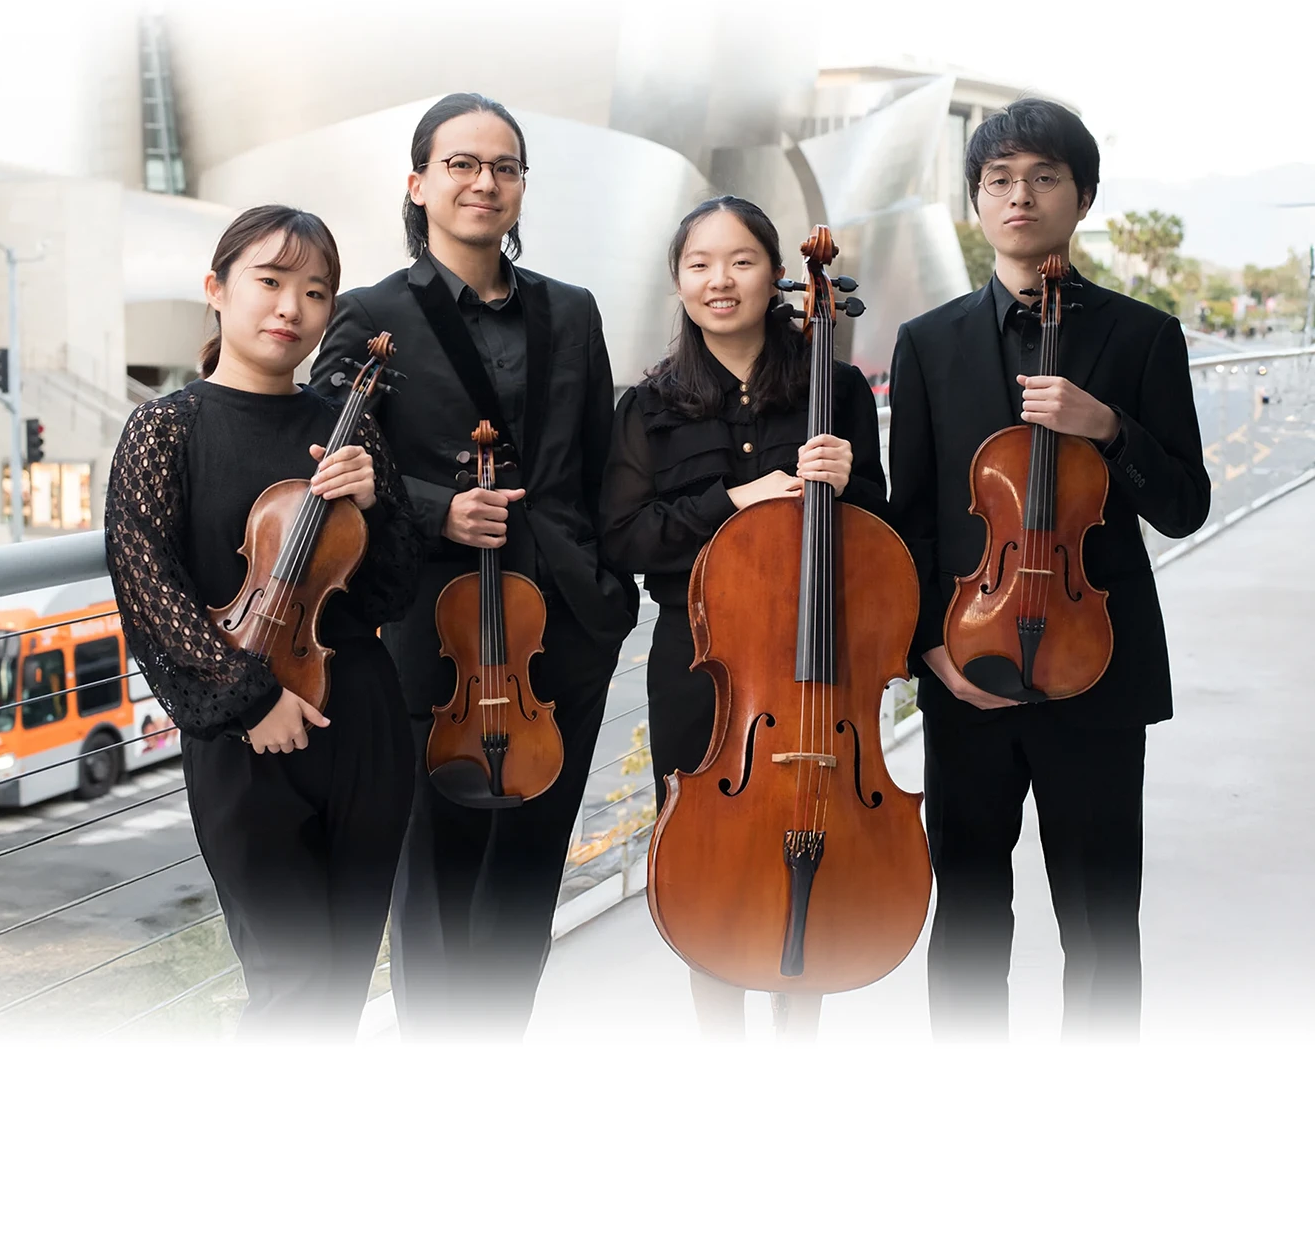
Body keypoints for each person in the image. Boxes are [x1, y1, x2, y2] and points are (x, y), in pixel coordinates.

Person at [310, 93, 636, 1038]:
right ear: (417, 184)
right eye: (460, 164)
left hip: (563, 632)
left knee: (529, 873)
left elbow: (600, 461)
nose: (482, 181)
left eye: (503, 166)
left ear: (522, 187)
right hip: (432, 633)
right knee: (435, 882)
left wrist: (605, 600)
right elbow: (322, 456)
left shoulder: (570, 312)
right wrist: (434, 506)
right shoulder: (369, 314)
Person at [888, 99, 1211, 1040]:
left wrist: (1107, 427)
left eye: (1041, 177)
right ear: (976, 201)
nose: (1018, 196)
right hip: (967, 674)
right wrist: (929, 659)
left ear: (1082, 197)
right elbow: (908, 521)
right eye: (997, 180)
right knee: (968, 920)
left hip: (1097, 674)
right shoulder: (927, 343)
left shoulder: (1141, 336)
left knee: (1103, 924)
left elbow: (1184, 505)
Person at [104, 206, 422, 1039]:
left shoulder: (344, 430)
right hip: (244, 738)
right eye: (270, 282)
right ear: (217, 290)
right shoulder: (165, 429)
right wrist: (250, 700)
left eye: (315, 292)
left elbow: (390, 590)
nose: (291, 308)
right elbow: (147, 589)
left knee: (345, 981)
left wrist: (374, 503)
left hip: (361, 723)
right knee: (290, 986)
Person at [601, 195, 888, 1040]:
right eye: (699, 264)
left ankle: (800, 1041)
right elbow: (623, 537)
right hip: (702, 667)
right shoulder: (647, 406)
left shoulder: (831, 384)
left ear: (774, 275)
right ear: (677, 283)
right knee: (711, 861)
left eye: (739, 261)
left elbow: (880, 532)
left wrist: (849, 481)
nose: (719, 280)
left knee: (816, 833)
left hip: (817, 658)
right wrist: (737, 498)